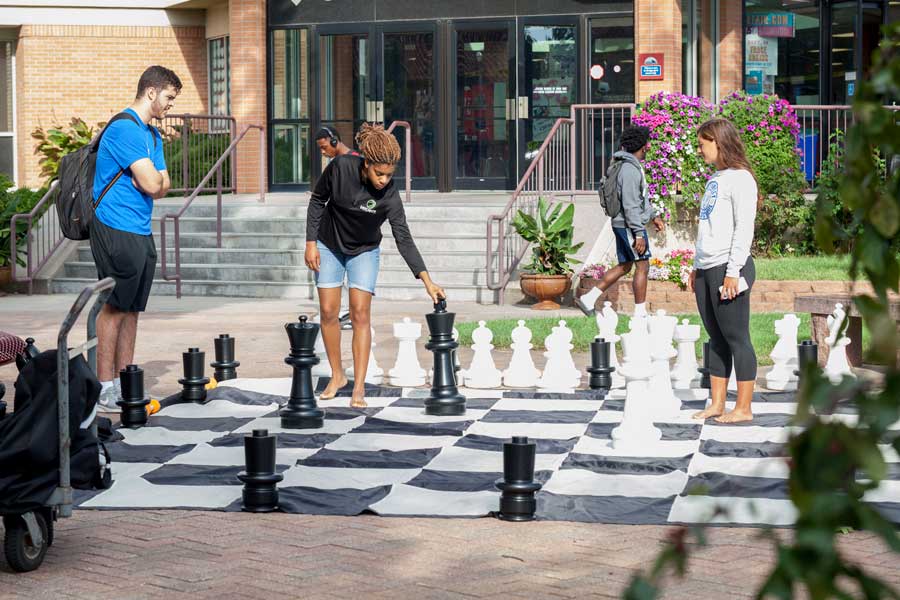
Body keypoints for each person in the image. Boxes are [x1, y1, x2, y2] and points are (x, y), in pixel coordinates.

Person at [305, 123, 445, 408]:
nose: (383, 180)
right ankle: (337, 376)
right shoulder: (340, 167)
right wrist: (310, 243)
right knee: (329, 312)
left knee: (360, 313)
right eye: (378, 173)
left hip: (365, 251)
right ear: (366, 163)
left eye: (389, 175)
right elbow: (318, 200)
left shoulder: (390, 196)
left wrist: (427, 281)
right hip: (329, 245)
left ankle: (358, 387)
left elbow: (404, 238)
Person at [91, 66, 181, 411]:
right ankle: (104, 388)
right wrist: (151, 181)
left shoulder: (152, 136)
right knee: (114, 307)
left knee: (132, 310)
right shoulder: (124, 129)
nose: (170, 105)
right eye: (169, 98)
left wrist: (152, 181)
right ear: (151, 93)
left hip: (140, 228)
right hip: (115, 226)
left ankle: (126, 383)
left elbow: (163, 185)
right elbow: (150, 183)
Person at [689, 118, 758, 424]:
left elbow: (744, 228)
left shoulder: (741, 179)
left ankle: (743, 408)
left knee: (736, 338)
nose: (699, 149)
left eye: (703, 144)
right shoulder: (715, 179)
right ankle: (717, 404)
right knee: (715, 338)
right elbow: (708, 228)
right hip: (707, 267)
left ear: (718, 141)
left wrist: (733, 271)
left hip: (729, 267)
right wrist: (695, 266)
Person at [575, 125, 665, 317]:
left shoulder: (625, 165)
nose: (649, 146)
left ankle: (589, 299)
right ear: (643, 145)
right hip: (628, 225)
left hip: (622, 223)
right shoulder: (630, 170)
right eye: (647, 143)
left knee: (625, 266)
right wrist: (639, 233)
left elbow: (640, 199)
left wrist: (653, 216)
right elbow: (631, 205)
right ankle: (640, 314)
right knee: (643, 265)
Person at [315, 126, 359, 330]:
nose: (323, 152)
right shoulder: (333, 165)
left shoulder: (356, 160)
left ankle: (353, 314)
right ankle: (340, 313)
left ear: (334, 141)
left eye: (324, 147)